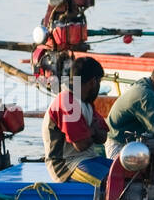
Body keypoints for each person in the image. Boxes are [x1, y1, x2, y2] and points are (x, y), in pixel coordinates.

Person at [43, 56, 111, 187]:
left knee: (126, 172)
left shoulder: (86, 102)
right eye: (99, 81)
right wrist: (92, 130)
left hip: (89, 159)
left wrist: (89, 132)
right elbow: (81, 144)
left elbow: (103, 137)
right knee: (115, 183)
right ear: (93, 82)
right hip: (67, 166)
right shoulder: (67, 102)